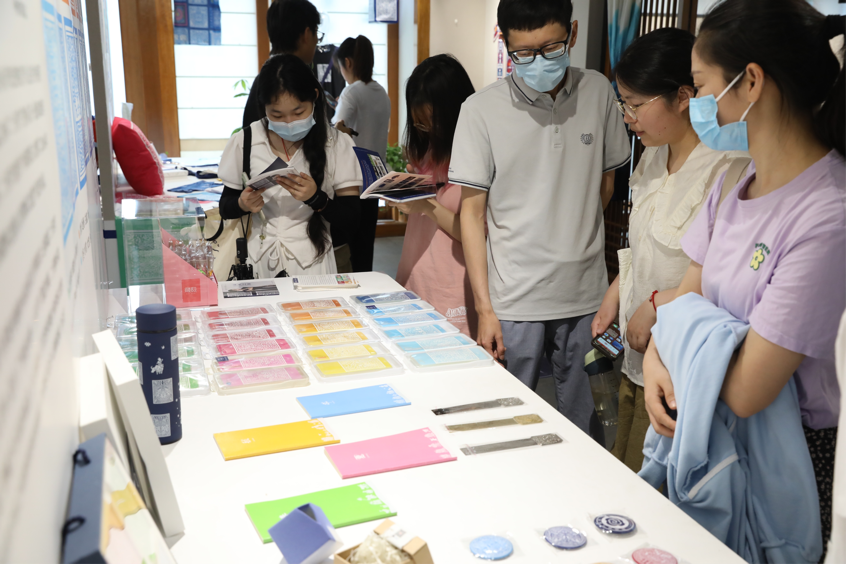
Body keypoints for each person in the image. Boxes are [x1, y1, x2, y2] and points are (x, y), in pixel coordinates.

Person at [642, 0, 846, 554]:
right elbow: (679, 303)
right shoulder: (735, 186)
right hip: (708, 432)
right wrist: (655, 361)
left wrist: (677, 338)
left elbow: (748, 388)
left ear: (751, 82)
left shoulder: (827, 214)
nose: (697, 103)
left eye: (702, 85)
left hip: (785, 462)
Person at [453, 0, 630, 441]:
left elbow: (606, 183)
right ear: (505, 45)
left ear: (572, 33)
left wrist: (572, 227)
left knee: (589, 429)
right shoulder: (479, 110)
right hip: (514, 300)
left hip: (586, 297)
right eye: (523, 53)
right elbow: (471, 213)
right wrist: (484, 308)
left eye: (551, 48)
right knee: (504, 426)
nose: (538, 62)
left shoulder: (599, 93)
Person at [590, 28, 748, 473]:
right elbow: (644, 243)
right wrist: (616, 292)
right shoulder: (653, 153)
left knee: (656, 482)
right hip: (636, 355)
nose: (627, 117)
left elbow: (721, 277)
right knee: (622, 464)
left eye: (635, 105)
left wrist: (658, 304)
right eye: (622, 104)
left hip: (679, 364)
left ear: (683, 96)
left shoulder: (728, 168)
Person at [218, 55, 361, 278]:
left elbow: (352, 217)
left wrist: (317, 199)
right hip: (258, 261)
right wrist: (242, 204)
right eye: (277, 115)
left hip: (314, 264)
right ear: (264, 107)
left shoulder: (337, 144)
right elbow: (225, 206)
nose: (289, 123)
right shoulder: (245, 141)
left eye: (298, 112)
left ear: (314, 97)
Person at [390, 55, 477, 337]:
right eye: (420, 124)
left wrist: (426, 206)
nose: (428, 131)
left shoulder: (476, 157)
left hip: (453, 288)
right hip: (416, 277)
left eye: (432, 122)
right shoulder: (428, 149)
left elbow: (476, 234)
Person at [331, 36, 391, 273]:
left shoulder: (351, 92)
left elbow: (335, 130)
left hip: (352, 182)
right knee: (365, 248)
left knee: (347, 248)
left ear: (348, 62)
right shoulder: (381, 92)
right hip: (375, 178)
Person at [241, 0, 321, 130]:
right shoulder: (301, 80)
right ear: (306, 34)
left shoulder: (262, 80)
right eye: (316, 32)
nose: (317, 40)